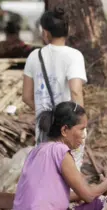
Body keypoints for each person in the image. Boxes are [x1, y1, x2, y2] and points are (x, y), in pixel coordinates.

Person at [22, 6, 87, 171]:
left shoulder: (34, 57)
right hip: (68, 127)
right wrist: (80, 124)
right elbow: (76, 91)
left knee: (46, 171)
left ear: (45, 33)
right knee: (70, 171)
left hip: (44, 127)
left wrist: (46, 114)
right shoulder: (74, 56)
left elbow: (26, 96)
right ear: (67, 30)